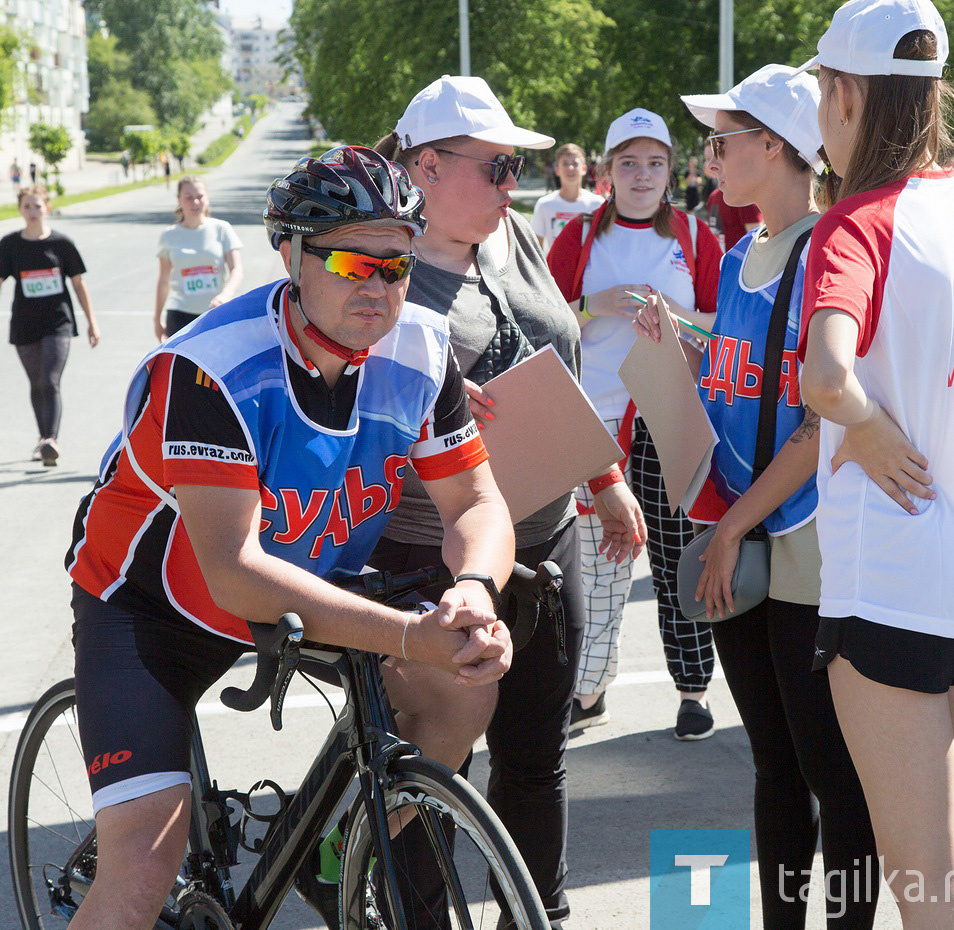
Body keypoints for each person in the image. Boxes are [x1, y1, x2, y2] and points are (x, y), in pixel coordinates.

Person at [63, 145, 516, 930]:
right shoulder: (212, 369)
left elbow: (475, 500)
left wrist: (474, 590)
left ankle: (332, 851)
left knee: (460, 690)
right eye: (350, 260)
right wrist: (411, 634)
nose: (377, 285)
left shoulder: (421, 348)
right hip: (155, 604)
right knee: (143, 866)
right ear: (290, 253)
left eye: (397, 265)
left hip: (302, 582)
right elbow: (235, 573)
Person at [372, 75, 646, 929]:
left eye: (512, 169)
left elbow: (551, 349)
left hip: (545, 536)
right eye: (493, 168)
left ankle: (541, 915)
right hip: (429, 556)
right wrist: (421, 384)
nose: (510, 185)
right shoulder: (376, 269)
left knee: (536, 759)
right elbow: (335, 405)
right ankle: (415, 913)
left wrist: (602, 478)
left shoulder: (514, 237)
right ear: (424, 167)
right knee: (428, 767)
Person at [637, 63, 880, 927]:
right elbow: (749, 380)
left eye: (723, 140)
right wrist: (686, 345)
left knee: (831, 773)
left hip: (800, 539)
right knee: (774, 764)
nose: (710, 157)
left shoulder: (831, 249)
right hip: (743, 533)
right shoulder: (742, 250)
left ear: (773, 146)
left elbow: (822, 425)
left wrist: (735, 522)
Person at [795, 1, 954, 926]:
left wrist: (865, 425)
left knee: (922, 879)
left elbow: (826, 376)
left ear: (845, 96)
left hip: (891, 586)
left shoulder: (855, 224)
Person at [547, 108, 722, 739]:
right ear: (606, 171)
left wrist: (680, 315)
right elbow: (544, 326)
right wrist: (598, 303)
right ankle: (590, 689)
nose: (641, 175)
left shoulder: (699, 239)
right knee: (597, 566)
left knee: (678, 557)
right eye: (628, 163)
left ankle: (693, 690)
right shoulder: (578, 238)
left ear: (671, 171)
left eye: (654, 163)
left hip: (668, 415)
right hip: (597, 423)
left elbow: (722, 337)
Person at [0, 186, 99, 466]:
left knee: (49, 379)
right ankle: (42, 439)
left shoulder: (61, 244)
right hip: (24, 324)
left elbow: (79, 284)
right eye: (27, 206)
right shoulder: (9, 244)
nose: (32, 212)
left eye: (37, 206)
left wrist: (92, 322)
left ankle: (50, 441)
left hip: (58, 323)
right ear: (20, 209)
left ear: (47, 207)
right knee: (36, 383)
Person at [154, 176, 244, 340]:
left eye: (200, 197)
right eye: (188, 198)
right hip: (179, 317)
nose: (195, 202)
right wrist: (157, 318)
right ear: (179, 200)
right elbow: (163, 280)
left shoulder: (222, 229)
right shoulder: (168, 236)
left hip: (215, 314)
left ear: (207, 198)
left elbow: (236, 269)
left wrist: (226, 295)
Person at [530, 143, 604, 254]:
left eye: (575, 163)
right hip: (554, 269)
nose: (570, 168)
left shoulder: (597, 204)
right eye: (565, 163)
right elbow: (535, 245)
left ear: (584, 169)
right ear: (557, 170)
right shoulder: (545, 204)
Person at [706, 184, 763, 251]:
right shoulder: (743, 197)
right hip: (740, 257)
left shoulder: (713, 195)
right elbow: (757, 238)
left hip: (721, 255)